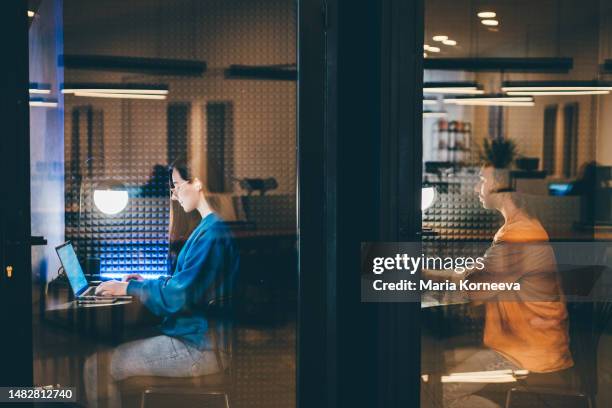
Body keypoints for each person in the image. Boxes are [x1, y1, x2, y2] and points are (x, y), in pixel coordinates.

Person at [84, 159, 239, 408]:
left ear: (197, 183)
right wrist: (147, 282)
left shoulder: (211, 234)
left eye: (177, 185)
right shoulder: (209, 228)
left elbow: (179, 297)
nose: (174, 194)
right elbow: (187, 283)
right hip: (200, 341)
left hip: (198, 349)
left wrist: (127, 288)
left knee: (97, 366)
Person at [434, 164, 574, 408]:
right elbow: (482, 276)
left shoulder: (520, 236)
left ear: (501, 186)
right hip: (521, 344)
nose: (477, 187)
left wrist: (426, 275)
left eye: (481, 180)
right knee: (442, 362)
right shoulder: (519, 229)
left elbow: (474, 290)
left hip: (526, 353)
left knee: (443, 388)